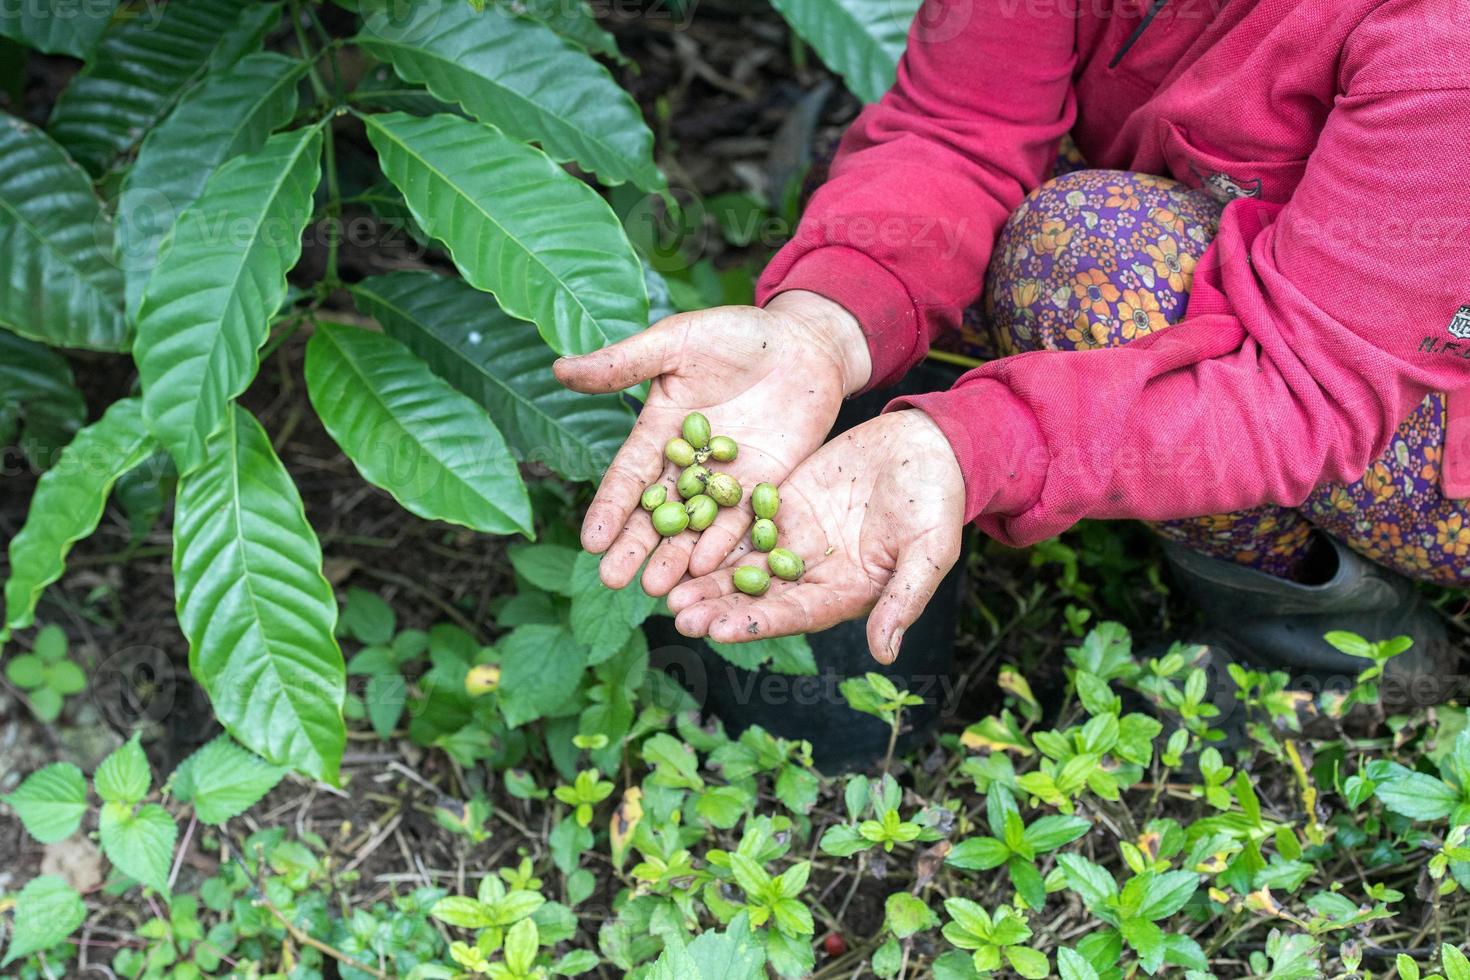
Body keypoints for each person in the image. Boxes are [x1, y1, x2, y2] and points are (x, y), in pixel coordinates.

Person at [554, 0, 1468, 696]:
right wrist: (824, 323)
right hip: (1285, 282)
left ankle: (1337, 656)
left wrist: (976, 443)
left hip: (1426, 396)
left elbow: (1304, 388)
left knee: (1084, 258)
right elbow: (959, 128)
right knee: (916, 229)